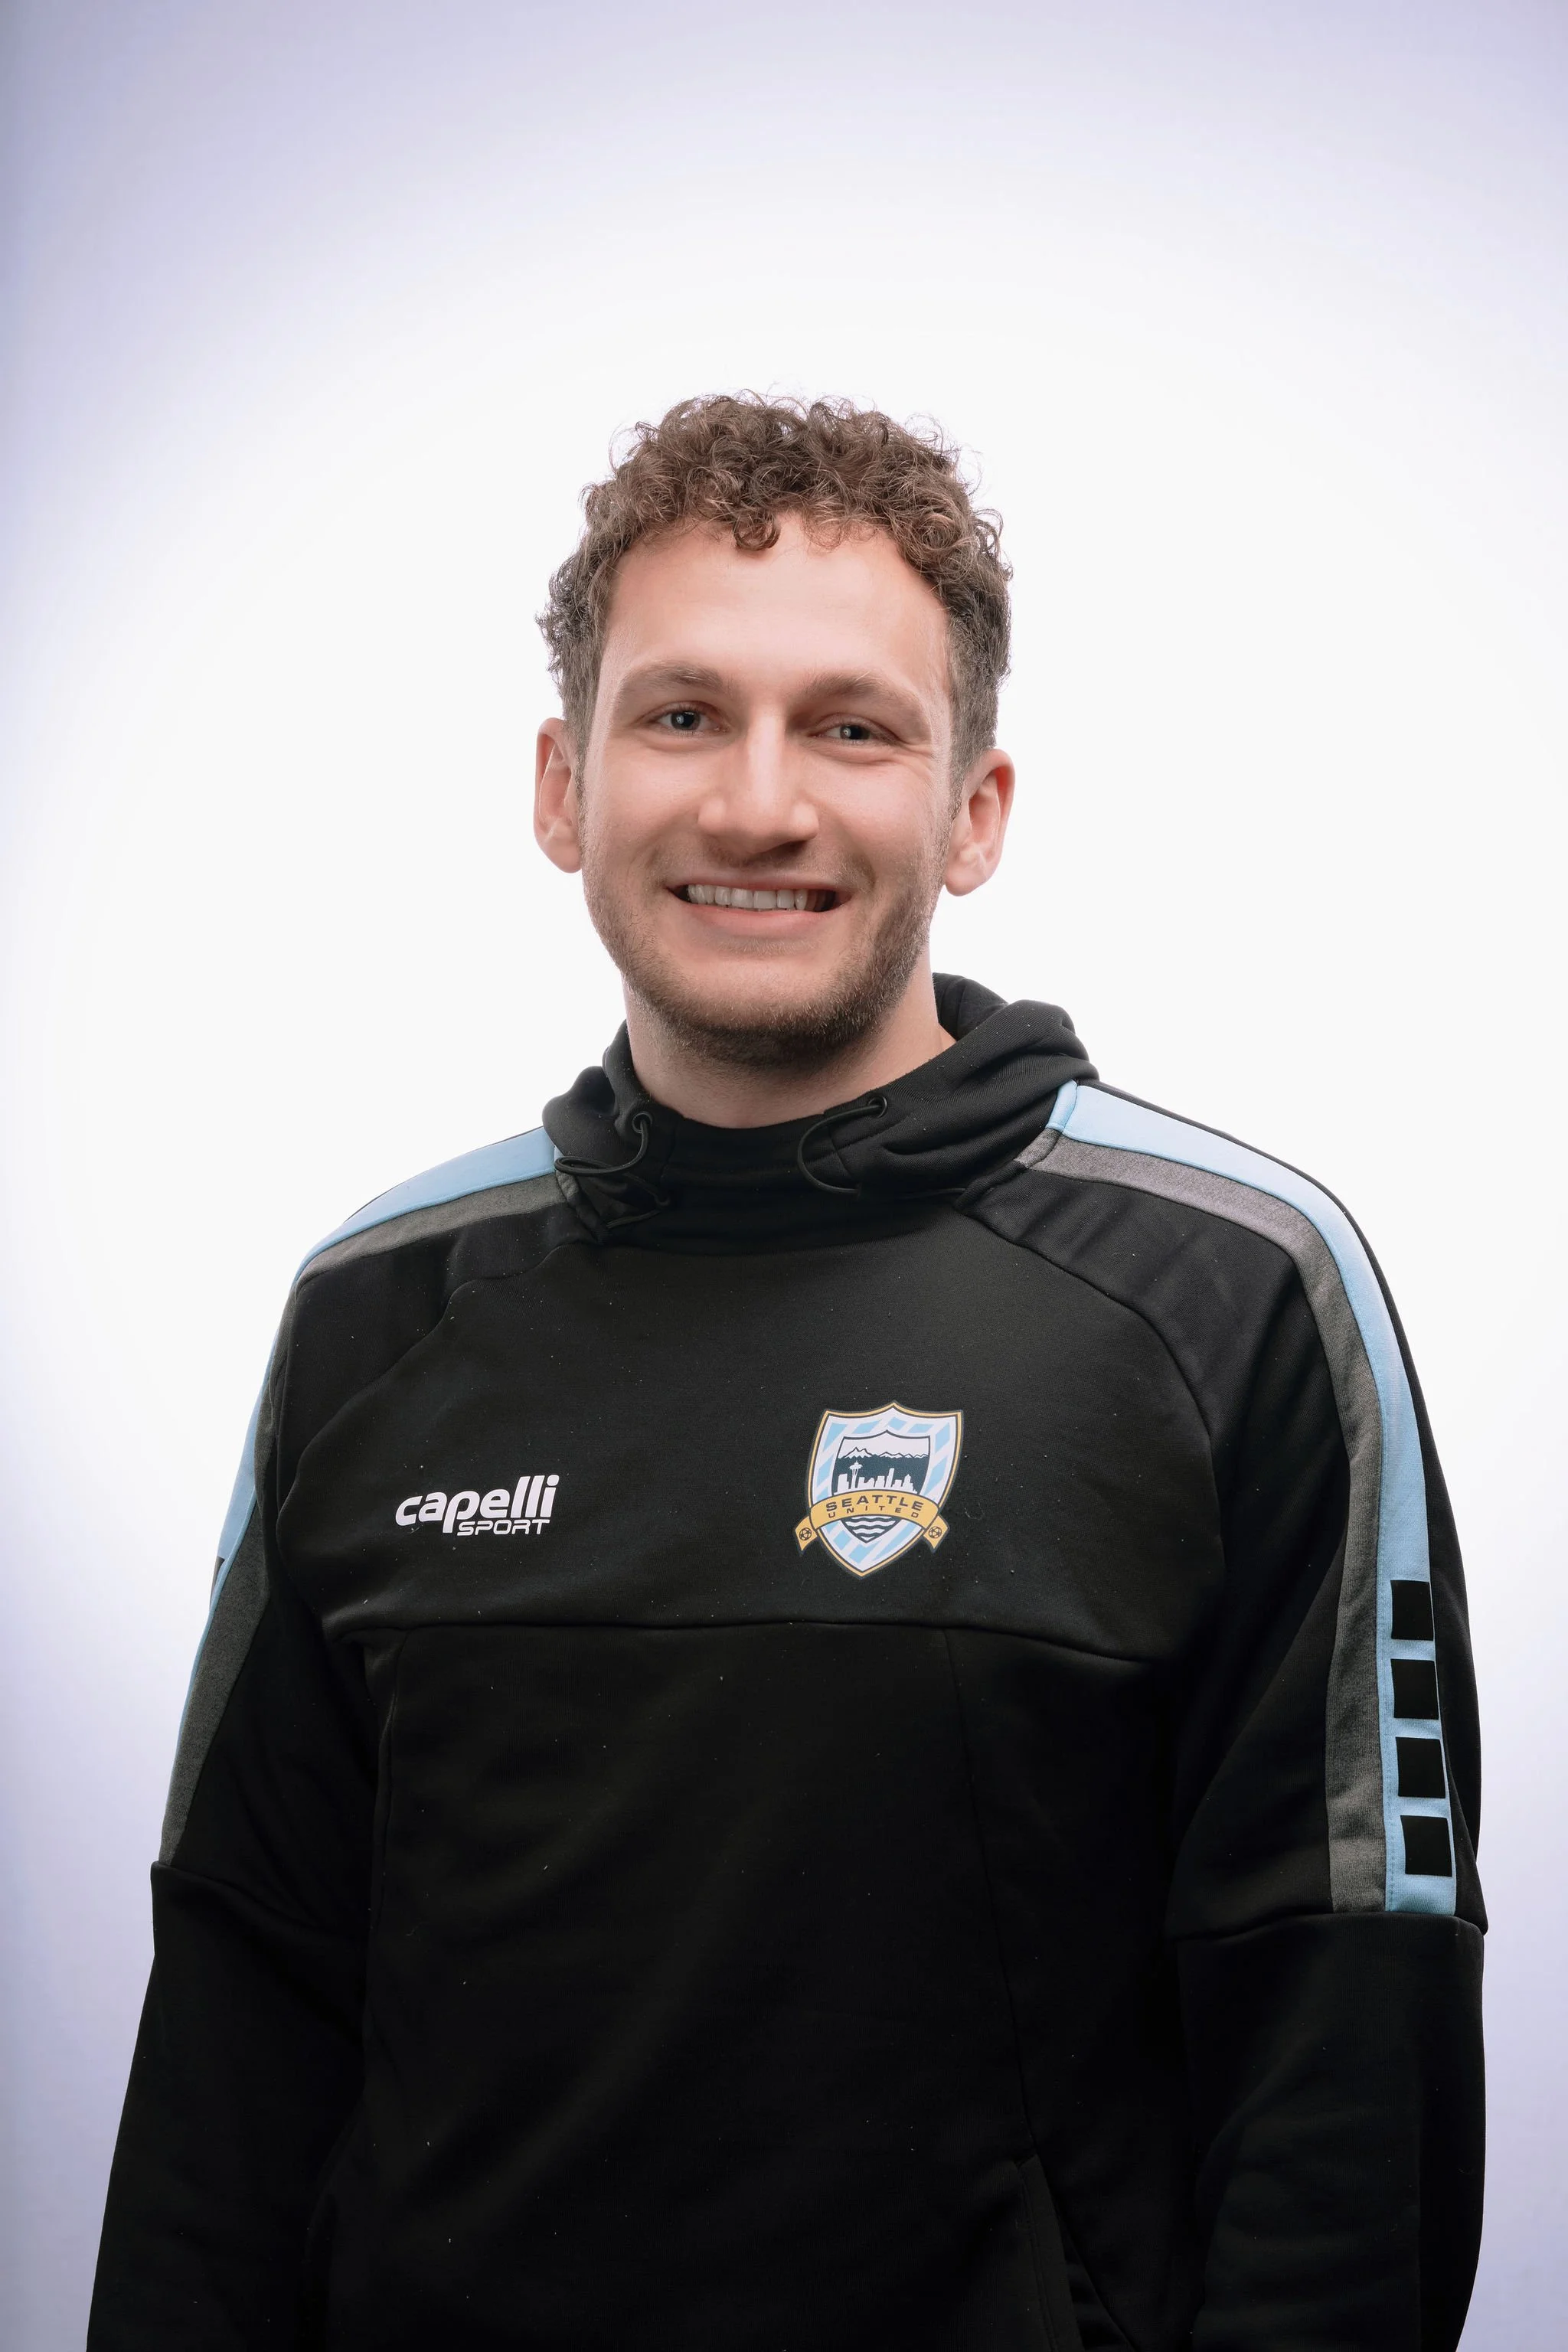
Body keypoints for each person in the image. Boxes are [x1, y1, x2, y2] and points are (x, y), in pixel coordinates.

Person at [89, 394, 1484, 2350]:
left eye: (850, 725)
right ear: (563, 787)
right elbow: (245, 2006)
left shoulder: (1233, 1290)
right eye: (681, 716)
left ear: (973, 808)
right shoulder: (379, 1312)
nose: (759, 802)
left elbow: (1345, 2018)